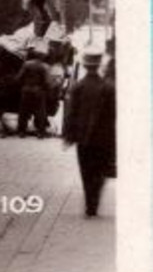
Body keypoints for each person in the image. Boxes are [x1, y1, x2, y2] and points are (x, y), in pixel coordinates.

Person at [63, 50, 116, 217]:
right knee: (99, 171)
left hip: (83, 138)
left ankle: (89, 204)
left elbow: (71, 114)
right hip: (104, 138)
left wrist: (69, 136)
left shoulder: (78, 86)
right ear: (98, 65)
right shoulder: (109, 87)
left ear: (85, 66)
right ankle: (94, 203)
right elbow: (113, 115)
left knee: (86, 171)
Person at [16, 48, 51, 137]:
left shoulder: (26, 64)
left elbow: (19, 77)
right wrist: (47, 89)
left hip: (26, 89)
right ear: (43, 57)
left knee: (24, 111)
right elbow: (47, 81)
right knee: (40, 111)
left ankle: (21, 131)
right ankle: (40, 132)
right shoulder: (44, 66)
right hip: (38, 90)